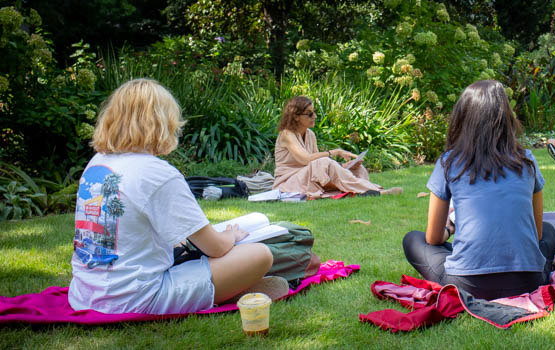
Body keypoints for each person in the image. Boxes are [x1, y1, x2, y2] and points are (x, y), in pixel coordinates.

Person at [69, 79, 282, 314]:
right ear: (162, 122)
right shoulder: (157, 173)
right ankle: (234, 291)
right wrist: (231, 235)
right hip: (134, 298)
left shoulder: (97, 163)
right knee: (260, 254)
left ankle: (229, 290)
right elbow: (217, 248)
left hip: (85, 295)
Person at [402, 80, 555, 300]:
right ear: (506, 118)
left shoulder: (449, 162)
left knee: (412, 239)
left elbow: (433, 238)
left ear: (463, 118)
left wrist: (450, 228)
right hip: (528, 281)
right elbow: (538, 234)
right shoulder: (527, 161)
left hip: (467, 284)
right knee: (549, 231)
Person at [272, 96, 401, 198]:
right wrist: (334, 152)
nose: (315, 116)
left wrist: (344, 167)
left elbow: (316, 166)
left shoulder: (310, 134)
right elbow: (306, 160)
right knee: (325, 162)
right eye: (309, 114)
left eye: (314, 112)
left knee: (357, 168)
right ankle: (373, 191)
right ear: (296, 116)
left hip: (307, 178)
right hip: (288, 183)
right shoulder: (287, 134)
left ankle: (367, 190)